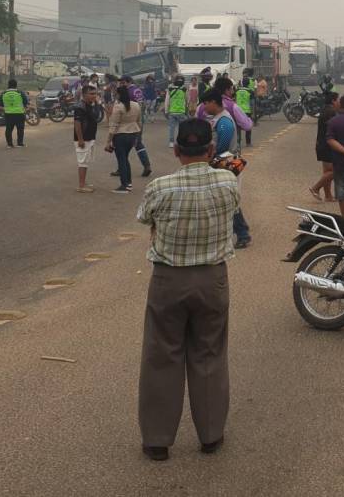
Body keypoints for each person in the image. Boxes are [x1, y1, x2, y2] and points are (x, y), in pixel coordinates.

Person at [136, 118, 238, 462]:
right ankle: (211, 436)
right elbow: (232, 192)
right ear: (210, 150)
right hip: (212, 278)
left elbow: (144, 219)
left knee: (162, 355)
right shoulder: (228, 182)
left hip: (168, 280)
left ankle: (157, 440)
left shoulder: (160, 187)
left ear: (176, 150)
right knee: (209, 354)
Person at [200, 88, 251, 248]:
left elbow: (222, 145)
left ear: (214, 102)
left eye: (206, 103)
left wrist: (211, 159)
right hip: (221, 163)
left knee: (229, 200)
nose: (204, 107)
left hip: (226, 164)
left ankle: (242, 234)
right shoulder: (217, 119)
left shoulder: (224, 122)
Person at [106, 85, 143, 193]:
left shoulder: (118, 107)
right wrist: (138, 136)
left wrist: (108, 141)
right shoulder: (136, 105)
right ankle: (128, 184)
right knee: (125, 159)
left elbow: (113, 125)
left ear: (119, 95)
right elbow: (139, 122)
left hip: (120, 135)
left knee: (121, 160)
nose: (114, 95)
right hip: (132, 134)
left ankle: (124, 185)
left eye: (116, 94)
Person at [309, 91, 340, 202]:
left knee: (327, 171)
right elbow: (333, 129)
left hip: (321, 144)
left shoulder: (325, 109)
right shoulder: (331, 112)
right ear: (333, 101)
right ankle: (315, 188)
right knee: (336, 170)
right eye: (338, 99)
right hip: (327, 145)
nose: (339, 102)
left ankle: (328, 195)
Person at [73, 85, 100, 193]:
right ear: (84, 95)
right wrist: (80, 139)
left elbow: (96, 117)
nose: (94, 96)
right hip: (83, 138)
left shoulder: (89, 105)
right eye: (92, 94)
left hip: (89, 137)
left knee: (86, 161)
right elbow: (77, 123)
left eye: (95, 94)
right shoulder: (80, 107)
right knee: (82, 162)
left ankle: (83, 182)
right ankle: (81, 185)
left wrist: (97, 103)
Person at [0, 79, 28, 148]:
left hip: (8, 114)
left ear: (8, 85)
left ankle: (9, 144)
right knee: (20, 129)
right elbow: (25, 101)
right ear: (16, 85)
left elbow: (0, 103)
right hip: (19, 113)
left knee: (8, 129)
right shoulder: (20, 93)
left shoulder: (3, 93)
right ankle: (20, 143)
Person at [165, 75, 190, 151]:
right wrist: (186, 109)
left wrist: (166, 111)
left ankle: (171, 142)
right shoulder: (184, 89)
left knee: (172, 128)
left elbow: (167, 101)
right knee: (182, 128)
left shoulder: (170, 88)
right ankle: (181, 142)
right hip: (181, 112)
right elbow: (187, 100)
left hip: (172, 111)